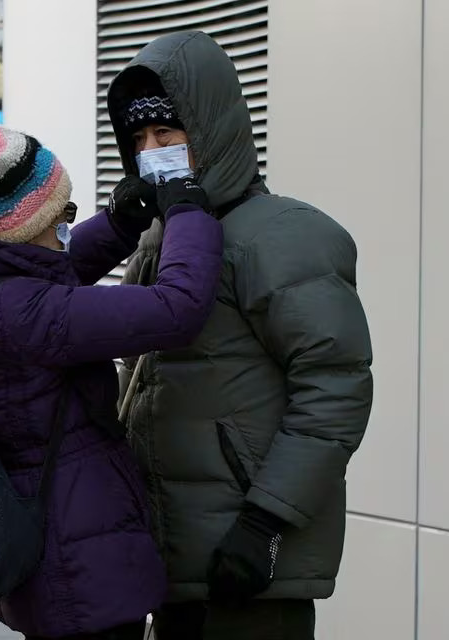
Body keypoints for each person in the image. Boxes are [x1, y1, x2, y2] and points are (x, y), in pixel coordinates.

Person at [0, 110, 223, 640]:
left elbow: (49, 274)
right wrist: (190, 211)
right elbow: (177, 308)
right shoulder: (24, 314)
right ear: (23, 229)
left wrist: (121, 222)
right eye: (63, 216)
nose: (68, 229)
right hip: (78, 560)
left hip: (41, 546)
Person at [108, 32, 375, 639]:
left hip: (250, 556)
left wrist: (266, 523)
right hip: (170, 555)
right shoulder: (160, 239)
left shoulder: (284, 235)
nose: (153, 153)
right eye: (139, 140)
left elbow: (334, 388)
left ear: (210, 131)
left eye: (168, 134)